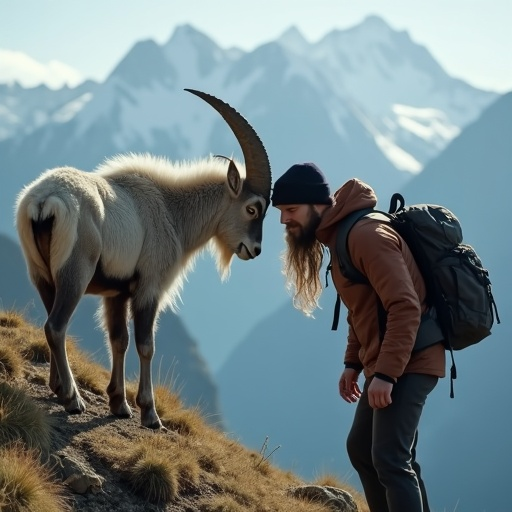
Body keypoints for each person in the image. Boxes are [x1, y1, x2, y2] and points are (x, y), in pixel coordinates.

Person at [271, 162, 445, 512]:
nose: (283, 220)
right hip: (392, 358)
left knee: (390, 457)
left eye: (290, 210)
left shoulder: (366, 236)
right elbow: (363, 308)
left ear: (317, 205)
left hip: (412, 356)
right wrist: (353, 362)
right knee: (364, 449)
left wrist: (386, 375)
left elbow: (404, 306)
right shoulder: (341, 237)